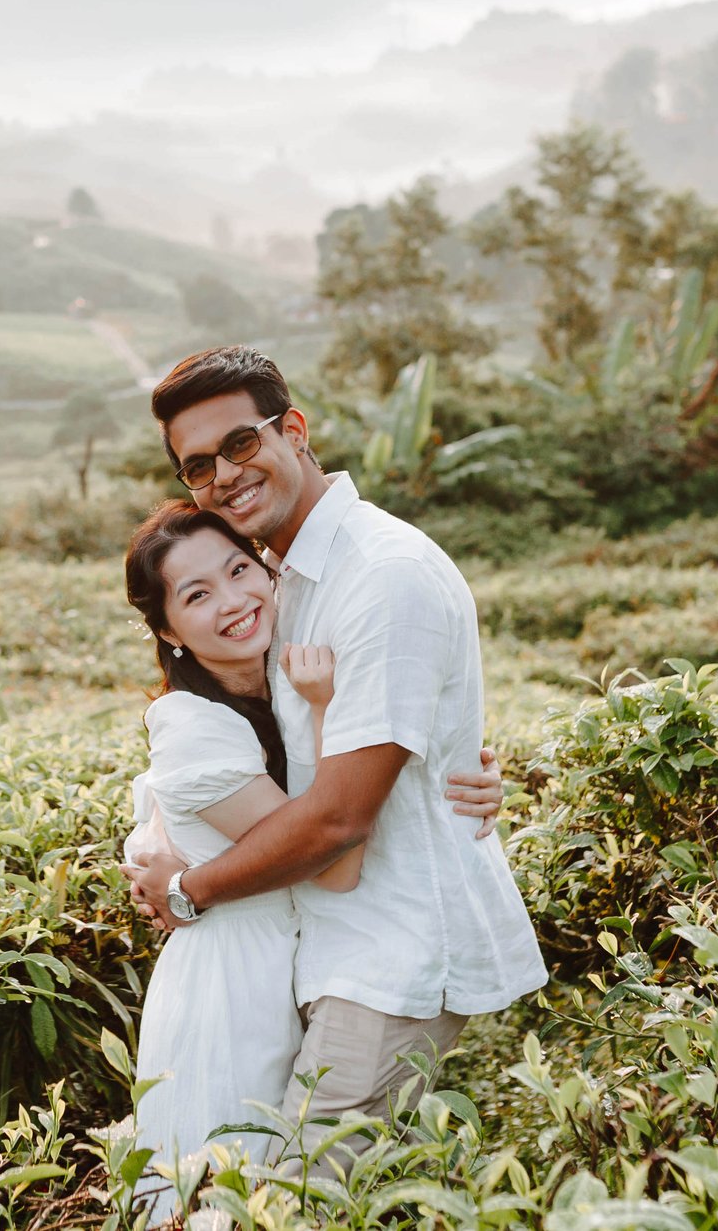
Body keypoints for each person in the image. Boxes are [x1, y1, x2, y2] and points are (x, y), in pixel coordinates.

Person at [122, 345, 547, 1168]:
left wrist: (186, 886)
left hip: (391, 955)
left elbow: (342, 816)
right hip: (326, 951)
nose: (225, 475)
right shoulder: (286, 574)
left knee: (295, 1199)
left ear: (295, 430)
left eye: (241, 443)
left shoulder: (379, 575)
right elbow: (244, 739)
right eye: (199, 465)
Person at [118, 501, 503, 1220]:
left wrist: (456, 775)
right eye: (197, 594)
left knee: (280, 1181)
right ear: (168, 629)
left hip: (294, 969)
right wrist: (326, 707)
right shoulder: (198, 726)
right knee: (232, 1190)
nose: (232, 600)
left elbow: (357, 778)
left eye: (239, 569)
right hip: (231, 990)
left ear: (268, 569)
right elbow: (332, 858)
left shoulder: (268, 690)